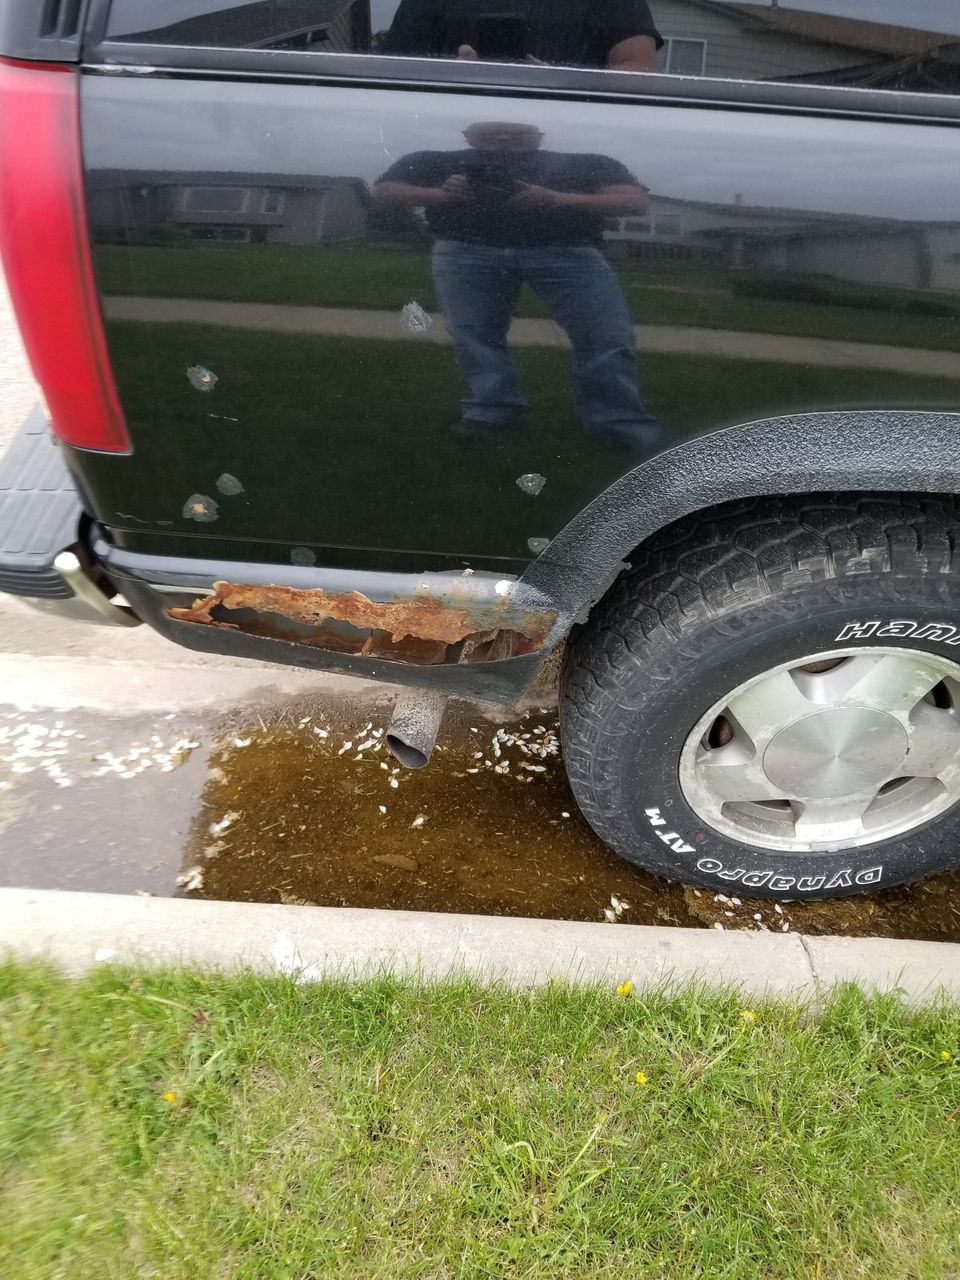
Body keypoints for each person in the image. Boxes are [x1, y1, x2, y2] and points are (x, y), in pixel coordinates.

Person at [374, 122, 662, 448]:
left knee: (606, 336)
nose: (505, 136)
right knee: (475, 335)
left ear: (539, 136)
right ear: (469, 135)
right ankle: (493, 412)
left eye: (516, 131)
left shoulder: (589, 161)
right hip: (465, 250)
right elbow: (384, 191)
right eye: (494, 130)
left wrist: (557, 199)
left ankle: (616, 424)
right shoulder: (434, 159)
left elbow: (634, 201)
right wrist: (439, 194)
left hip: (569, 251)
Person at [382, 0, 662, 71]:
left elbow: (639, 70)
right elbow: (390, 73)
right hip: (451, 145)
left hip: (569, 152)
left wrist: (561, 85)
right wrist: (449, 77)